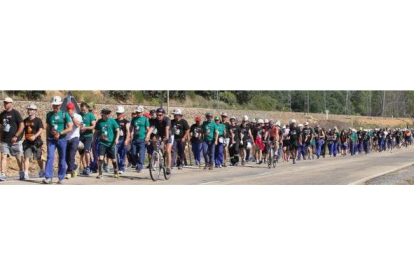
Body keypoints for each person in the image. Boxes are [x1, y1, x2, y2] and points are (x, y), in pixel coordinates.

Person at [43, 96, 73, 184]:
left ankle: (61, 177)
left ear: (60, 105)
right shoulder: (49, 115)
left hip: (62, 139)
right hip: (51, 139)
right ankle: (48, 177)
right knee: (50, 157)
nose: (55, 107)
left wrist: (60, 133)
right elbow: (47, 127)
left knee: (62, 158)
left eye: (57, 105)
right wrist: (46, 138)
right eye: (54, 105)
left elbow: (70, 127)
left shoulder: (64, 114)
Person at [0, 97, 24, 181]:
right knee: (3, 156)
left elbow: (21, 125)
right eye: (4, 103)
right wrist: (0, 139)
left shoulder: (15, 113)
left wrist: (16, 136)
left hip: (15, 140)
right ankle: (2, 174)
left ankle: (21, 171)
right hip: (5, 140)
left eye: (7, 103)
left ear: (11, 103)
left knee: (18, 157)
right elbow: (1, 127)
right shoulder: (2, 114)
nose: (5, 104)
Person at [93, 108, 120, 179]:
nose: (108, 115)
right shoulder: (99, 122)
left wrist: (116, 139)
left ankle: (116, 171)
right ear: (103, 114)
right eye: (106, 113)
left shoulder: (112, 121)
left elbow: (118, 130)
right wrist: (93, 140)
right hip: (102, 143)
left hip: (111, 143)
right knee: (100, 158)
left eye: (109, 113)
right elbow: (96, 132)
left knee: (113, 159)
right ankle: (100, 173)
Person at [22, 104, 44, 180]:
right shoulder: (25, 121)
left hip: (36, 142)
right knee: (26, 157)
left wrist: (34, 136)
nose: (29, 111)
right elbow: (22, 130)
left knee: (38, 158)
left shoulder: (38, 120)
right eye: (28, 109)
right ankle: (26, 173)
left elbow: (41, 130)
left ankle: (41, 170)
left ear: (35, 111)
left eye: (31, 109)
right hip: (27, 142)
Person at [149, 108, 172, 175]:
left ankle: (168, 167)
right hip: (160, 134)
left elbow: (167, 129)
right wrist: (147, 136)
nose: (158, 116)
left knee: (168, 150)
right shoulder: (155, 120)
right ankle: (158, 154)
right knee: (153, 140)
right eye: (157, 115)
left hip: (169, 134)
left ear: (163, 115)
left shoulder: (167, 120)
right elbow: (152, 128)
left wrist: (166, 137)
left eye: (160, 115)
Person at [130, 105, 151, 173]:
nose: (138, 113)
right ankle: (136, 163)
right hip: (135, 139)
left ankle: (139, 167)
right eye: (137, 112)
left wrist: (148, 137)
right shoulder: (134, 119)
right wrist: (130, 135)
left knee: (141, 154)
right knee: (133, 153)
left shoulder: (145, 119)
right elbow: (131, 128)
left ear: (142, 112)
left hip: (142, 139)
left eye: (139, 112)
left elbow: (148, 129)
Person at [65, 103, 83, 179]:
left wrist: (72, 117)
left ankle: (69, 172)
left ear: (74, 109)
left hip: (75, 138)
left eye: (71, 109)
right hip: (66, 138)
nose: (69, 110)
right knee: (66, 157)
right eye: (68, 109)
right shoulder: (64, 116)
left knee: (71, 155)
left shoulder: (78, 116)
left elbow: (77, 125)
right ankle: (74, 167)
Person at [79, 102, 97, 176]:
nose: (83, 111)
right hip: (80, 136)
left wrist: (85, 128)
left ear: (86, 108)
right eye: (82, 110)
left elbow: (93, 126)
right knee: (82, 153)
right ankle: (85, 167)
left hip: (88, 136)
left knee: (87, 151)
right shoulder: (79, 115)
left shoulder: (91, 115)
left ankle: (88, 166)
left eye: (84, 110)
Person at [115, 105, 131, 174]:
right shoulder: (114, 121)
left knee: (122, 154)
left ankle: (121, 168)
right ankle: (117, 166)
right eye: (117, 113)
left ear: (122, 114)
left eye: (119, 113)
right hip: (116, 139)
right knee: (115, 154)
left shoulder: (126, 122)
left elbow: (128, 131)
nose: (118, 115)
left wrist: (127, 140)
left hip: (123, 139)